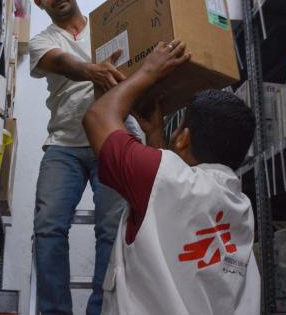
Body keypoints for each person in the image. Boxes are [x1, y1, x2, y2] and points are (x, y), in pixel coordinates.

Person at [83, 40, 262, 315]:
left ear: (184, 138)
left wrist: (148, 72)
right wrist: (156, 136)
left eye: (178, 128)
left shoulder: (165, 178)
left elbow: (97, 117)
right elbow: (168, 208)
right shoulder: (242, 209)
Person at [28, 0, 129, 315]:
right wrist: (92, 71)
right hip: (64, 147)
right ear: (39, 2)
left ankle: (100, 310)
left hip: (112, 141)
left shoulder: (110, 28)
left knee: (112, 232)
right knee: (48, 229)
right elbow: (61, 63)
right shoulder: (42, 42)